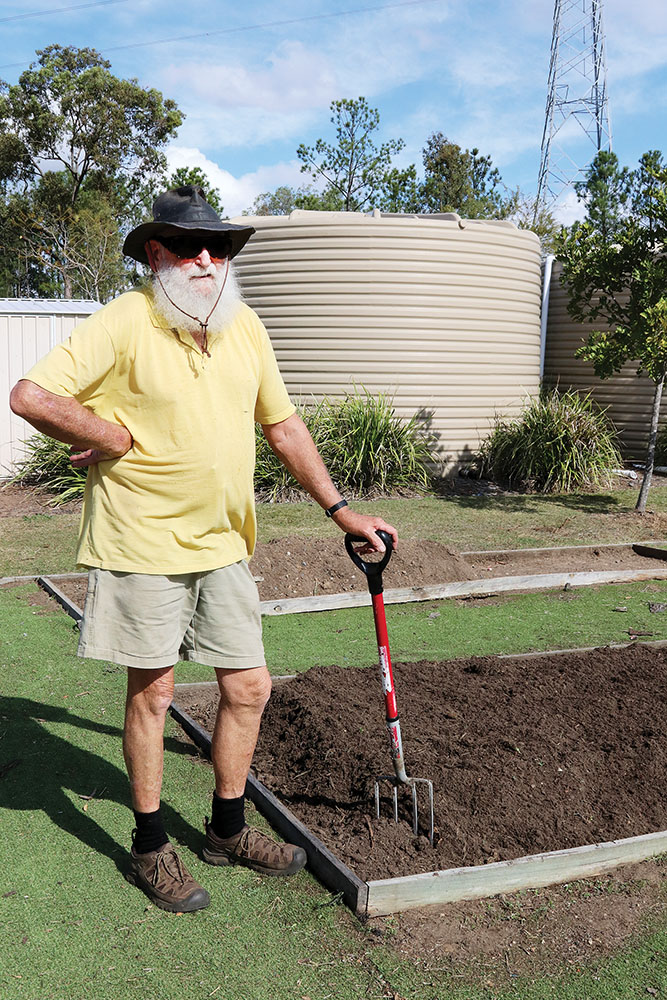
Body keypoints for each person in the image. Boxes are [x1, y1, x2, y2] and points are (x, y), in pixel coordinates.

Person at [9, 185, 398, 913]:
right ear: (156, 255)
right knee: (154, 693)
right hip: (141, 541)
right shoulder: (126, 320)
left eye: (217, 248)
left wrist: (340, 509)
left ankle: (225, 830)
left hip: (223, 544)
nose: (205, 260)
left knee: (248, 687)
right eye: (187, 247)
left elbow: (282, 427)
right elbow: (31, 396)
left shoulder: (244, 327)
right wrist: (108, 435)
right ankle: (150, 848)